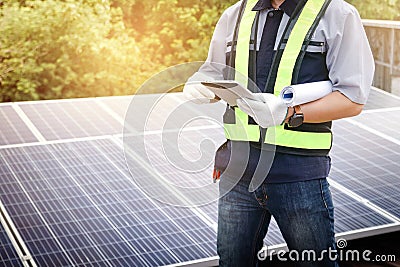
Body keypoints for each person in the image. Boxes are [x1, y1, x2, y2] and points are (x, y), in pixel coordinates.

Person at [183, 0, 374, 266]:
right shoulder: (234, 15)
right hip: (237, 175)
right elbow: (213, 71)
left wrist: (289, 113)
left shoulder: (337, 14)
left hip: (298, 177)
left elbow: (353, 99)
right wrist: (199, 83)